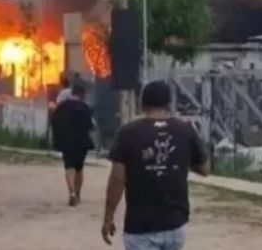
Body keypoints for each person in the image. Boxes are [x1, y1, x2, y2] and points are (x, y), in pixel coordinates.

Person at [102, 80, 209, 250]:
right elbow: (204, 169)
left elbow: (117, 179)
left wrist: (108, 217)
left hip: (140, 227)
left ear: (142, 104)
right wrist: (176, 161)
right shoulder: (186, 130)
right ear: (169, 104)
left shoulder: (128, 132)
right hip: (175, 225)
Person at [51, 81, 94, 207]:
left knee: (69, 167)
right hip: (81, 143)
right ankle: (78, 194)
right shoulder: (85, 108)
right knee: (79, 169)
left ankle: (72, 193)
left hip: (66, 141)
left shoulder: (62, 107)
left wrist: (57, 138)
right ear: (82, 94)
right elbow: (90, 127)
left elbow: (54, 122)